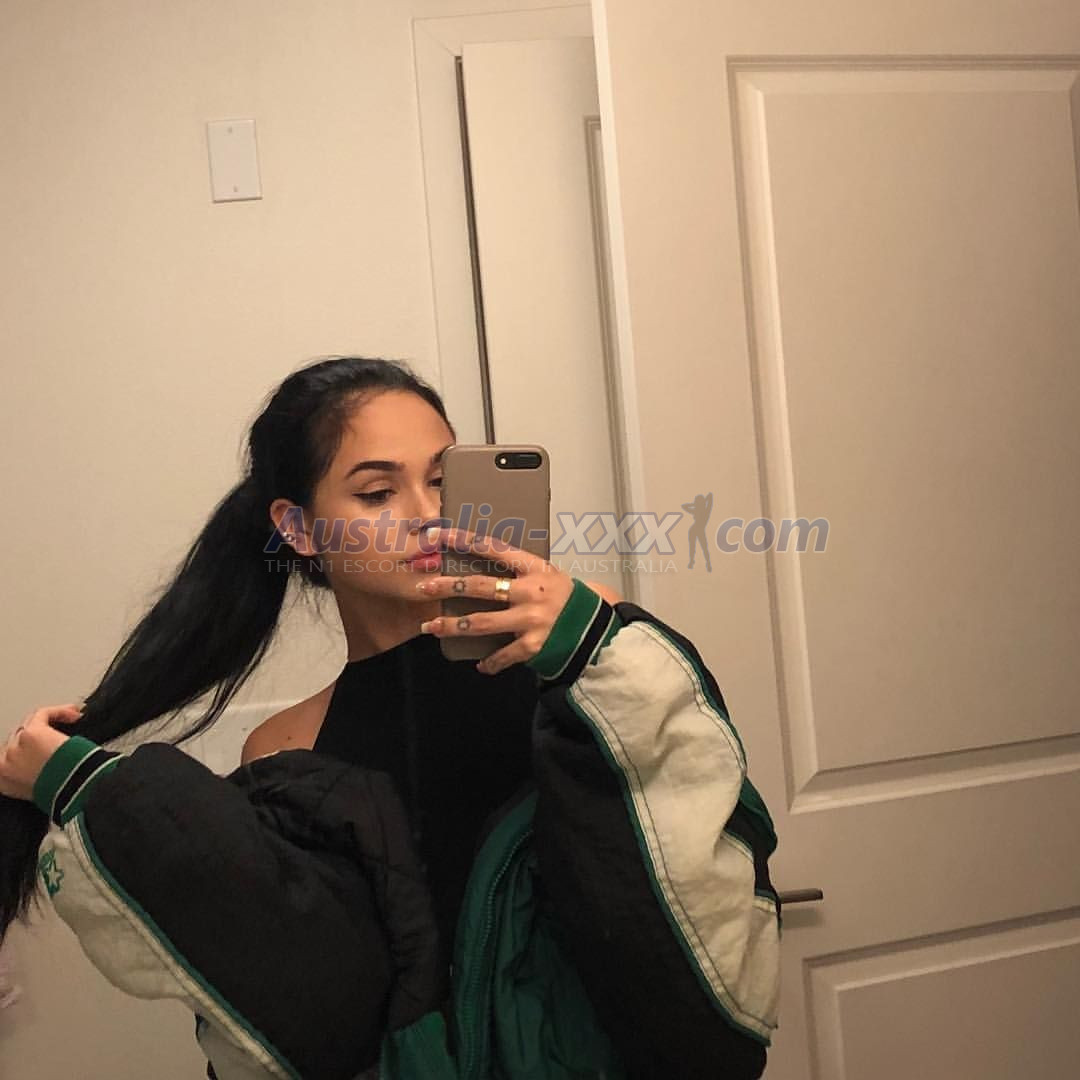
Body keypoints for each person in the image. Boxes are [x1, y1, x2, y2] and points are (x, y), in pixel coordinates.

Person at [0, 357, 781, 1079]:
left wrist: (592, 643)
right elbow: (294, 985)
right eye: (377, 493)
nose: (428, 514)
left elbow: (684, 833)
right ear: (299, 527)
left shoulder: (584, 653)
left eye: (444, 480)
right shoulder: (285, 744)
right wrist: (79, 784)